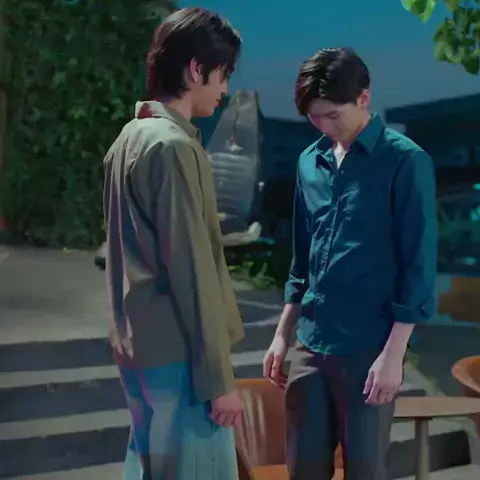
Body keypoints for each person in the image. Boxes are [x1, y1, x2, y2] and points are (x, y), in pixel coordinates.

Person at [263, 47, 437, 480]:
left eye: (333, 115)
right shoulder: (310, 162)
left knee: (364, 470)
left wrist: (394, 355)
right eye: (314, 117)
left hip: (368, 349)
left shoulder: (405, 161)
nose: (325, 126)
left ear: (364, 98)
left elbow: (418, 265)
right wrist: (282, 335)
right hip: (310, 344)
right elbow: (302, 258)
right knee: (303, 470)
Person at [102, 8, 244, 479]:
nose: (225, 89)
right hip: (181, 355)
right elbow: (191, 269)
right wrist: (218, 379)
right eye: (223, 74)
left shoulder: (129, 138)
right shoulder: (173, 146)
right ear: (196, 70)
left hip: (139, 347)